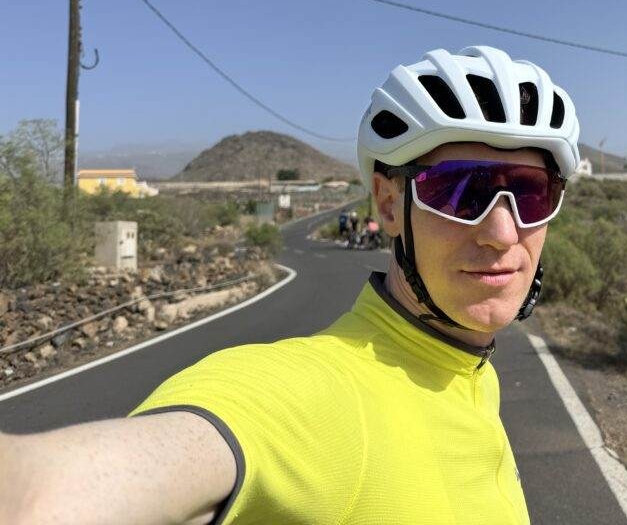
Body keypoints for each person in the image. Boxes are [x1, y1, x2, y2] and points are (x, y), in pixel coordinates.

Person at [0, 45, 579, 524]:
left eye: (530, 194)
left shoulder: (469, 372)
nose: (503, 232)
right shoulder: (320, 394)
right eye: (460, 192)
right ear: (388, 204)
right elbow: (51, 494)